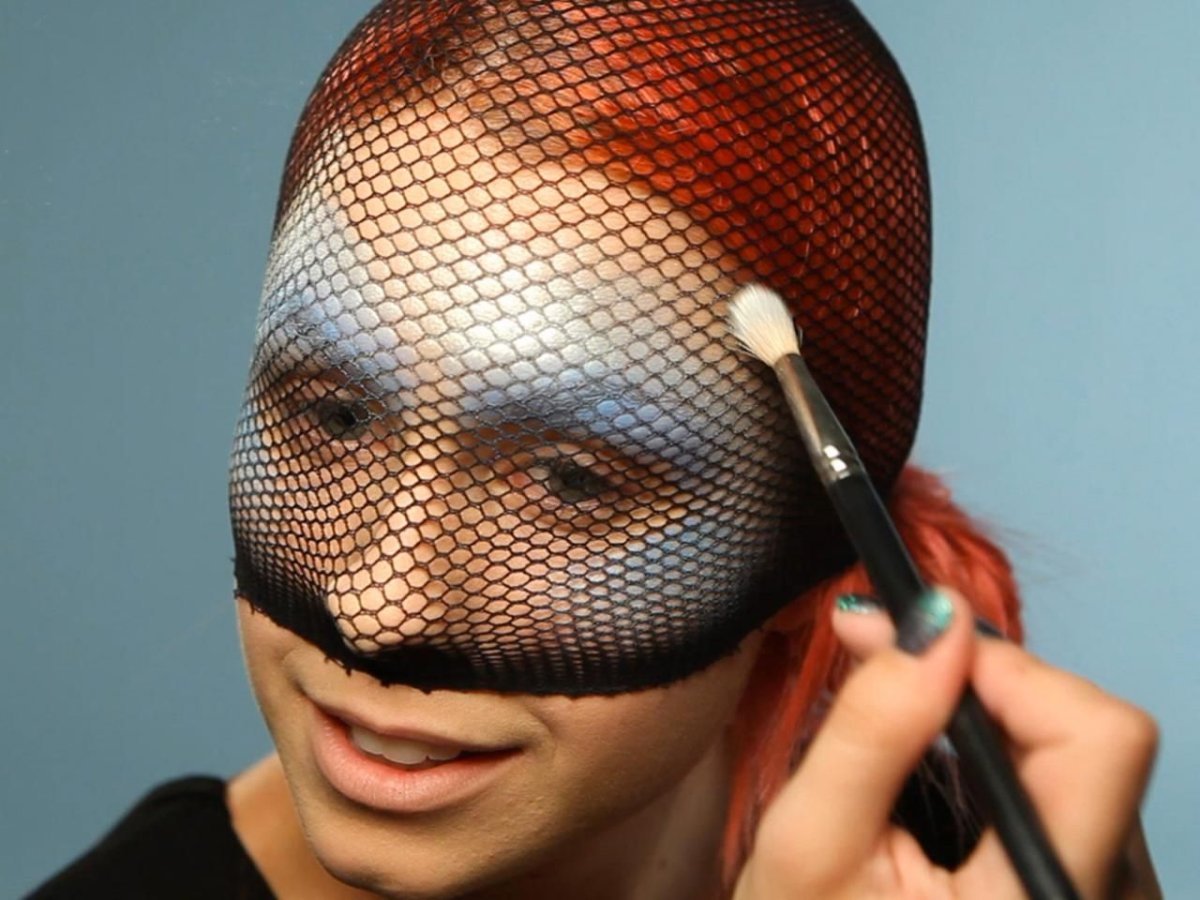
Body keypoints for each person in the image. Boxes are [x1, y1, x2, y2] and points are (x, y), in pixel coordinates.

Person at [33, 1, 1159, 897]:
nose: (379, 610)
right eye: (334, 416)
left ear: (803, 551)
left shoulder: (983, 864)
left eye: (570, 480)